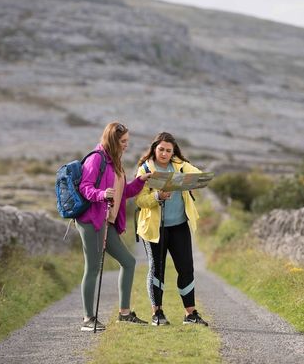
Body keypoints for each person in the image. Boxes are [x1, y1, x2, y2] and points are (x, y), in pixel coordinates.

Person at [76, 122, 151, 331]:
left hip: (106, 223)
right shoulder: (96, 159)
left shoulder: (115, 162)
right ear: (112, 140)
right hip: (91, 221)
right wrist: (102, 194)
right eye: (123, 141)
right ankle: (88, 319)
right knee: (93, 268)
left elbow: (123, 192)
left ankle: (124, 314)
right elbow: (84, 187)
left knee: (128, 262)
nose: (127, 145)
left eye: (127, 141)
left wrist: (140, 180)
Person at [135, 132, 208, 326]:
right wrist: (157, 197)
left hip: (179, 226)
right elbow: (140, 200)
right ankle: (157, 313)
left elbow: (200, 178)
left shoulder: (181, 165)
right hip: (154, 229)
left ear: (173, 151)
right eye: (161, 149)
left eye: (168, 150)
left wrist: (184, 180)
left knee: (186, 268)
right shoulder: (144, 169)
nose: (164, 154)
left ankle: (190, 314)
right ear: (154, 148)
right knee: (157, 269)